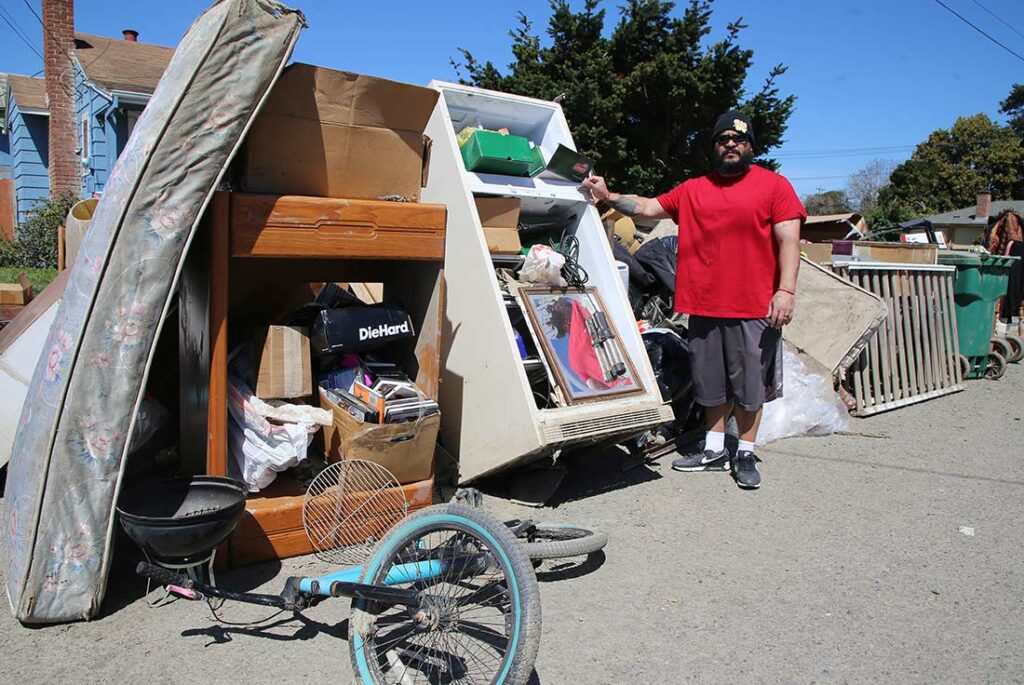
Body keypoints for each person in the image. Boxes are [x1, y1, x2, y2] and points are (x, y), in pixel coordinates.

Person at [583, 110, 805, 489]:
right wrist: (608, 196)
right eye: (722, 139)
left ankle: (746, 453)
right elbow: (649, 207)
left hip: (753, 307)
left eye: (739, 139)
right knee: (710, 382)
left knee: (750, 385)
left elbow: (789, 241)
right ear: (714, 147)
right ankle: (715, 448)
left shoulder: (774, 186)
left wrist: (785, 292)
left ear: (750, 146)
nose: (730, 144)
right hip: (703, 306)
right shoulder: (693, 189)